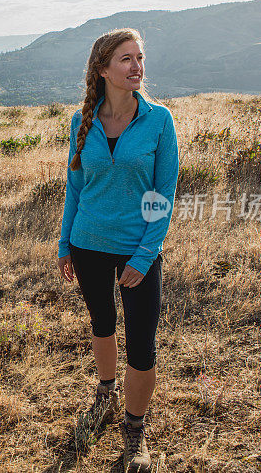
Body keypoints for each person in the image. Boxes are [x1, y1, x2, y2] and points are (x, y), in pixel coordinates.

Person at [56, 28, 179, 473]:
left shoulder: (159, 120)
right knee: (102, 324)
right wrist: (64, 243)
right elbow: (75, 186)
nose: (136, 66)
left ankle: (134, 429)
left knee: (142, 346)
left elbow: (163, 193)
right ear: (103, 68)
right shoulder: (81, 121)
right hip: (88, 244)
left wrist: (145, 255)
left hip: (137, 250)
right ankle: (105, 394)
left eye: (140, 57)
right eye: (126, 59)